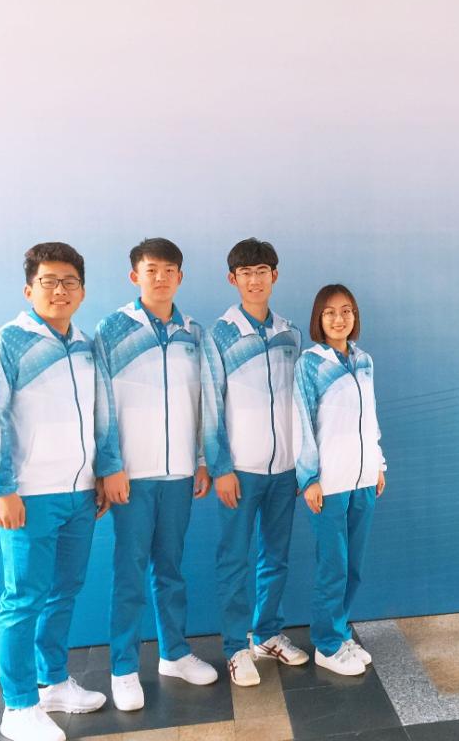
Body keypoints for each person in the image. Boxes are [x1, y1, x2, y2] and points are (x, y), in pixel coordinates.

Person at [0, 242, 107, 741]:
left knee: (64, 591)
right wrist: (2, 488)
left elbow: (100, 416)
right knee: (23, 599)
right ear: (29, 289)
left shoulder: (87, 345)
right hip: (28, 496)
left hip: (80, 493)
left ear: (82, 291)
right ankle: (18, 705)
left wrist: (99, 475)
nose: (60, 290)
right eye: (49, 281)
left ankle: (53, 682)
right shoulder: (5, 343)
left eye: (70, 282)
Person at [94, 238, 217, 711]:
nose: (160, 277)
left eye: (169, 270)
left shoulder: (193, 332)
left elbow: (204, 400)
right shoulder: (112, 330)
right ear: (135, 276)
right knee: (129, 573)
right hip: (133, 475)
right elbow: (101, 401)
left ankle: (175, 653)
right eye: (151, 270)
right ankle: (124, 669)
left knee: (170, 569)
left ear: (180, 277)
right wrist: (111, 466)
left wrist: (202, 460)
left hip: (180, 473)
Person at [201, 238, 308, 687]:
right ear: (233, 279)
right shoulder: (218, 335)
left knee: (275, 557)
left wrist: (303, 464)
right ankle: (234, 647)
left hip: (284, 470)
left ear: (274, 275)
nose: (254, 279)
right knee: (234, 562)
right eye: (245, 272)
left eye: (262, 271)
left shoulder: (290, 333)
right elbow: (210, 405)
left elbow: (301, 402)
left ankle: (267, 634)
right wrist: (221, 467)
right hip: (240, 471)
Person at [293, 284, 386, 676]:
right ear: (319, 318)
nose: (339, 318)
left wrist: (379, 464)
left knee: (353, 568)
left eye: (346, 310)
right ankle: (327, 645)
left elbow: (370, 417)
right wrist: (309, 478)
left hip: (363, 478)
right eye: (330, 312)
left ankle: (341, 631)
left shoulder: (364, 360)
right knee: (333, 567)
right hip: (329, 484)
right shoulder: (310, 363)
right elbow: (301, 421)